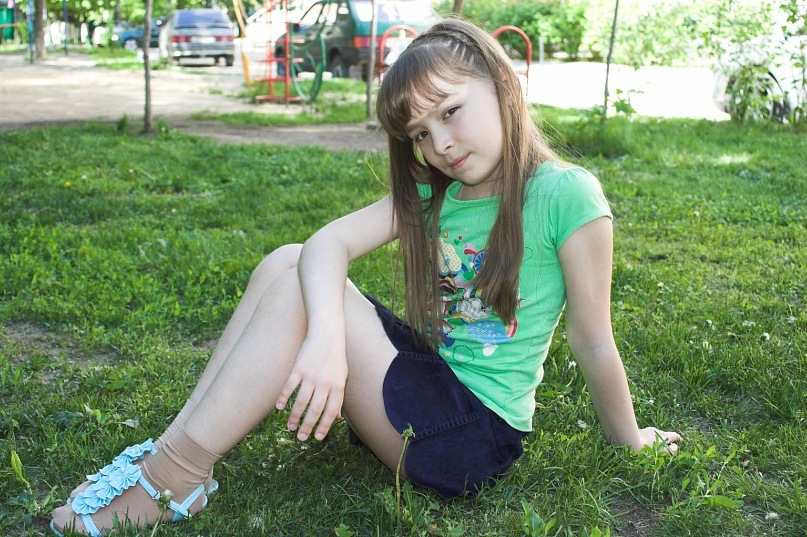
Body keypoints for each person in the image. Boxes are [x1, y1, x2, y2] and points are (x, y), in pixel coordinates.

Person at [51, 18, 681, 536]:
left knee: (301, 292)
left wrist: (629, 440)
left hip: (468, 437)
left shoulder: (566, 194)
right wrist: (327, 338)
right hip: (426, 386)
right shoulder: (436, 192)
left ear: (503, 84)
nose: (440, 144)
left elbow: (592, 338)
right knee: (288, 261)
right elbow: (325, 244)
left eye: (452, 111)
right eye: (421, 134)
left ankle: (176, 477)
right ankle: (171, 451)